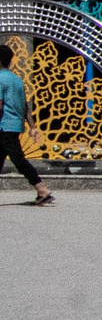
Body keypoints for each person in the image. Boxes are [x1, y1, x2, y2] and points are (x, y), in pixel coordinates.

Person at [0, 44, 53, 206]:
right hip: (14, 125)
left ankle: (42, 189)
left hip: (4, 126)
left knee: (18, 159)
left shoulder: (0, 78)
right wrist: (32, 127)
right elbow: (25, 107)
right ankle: (41, 189)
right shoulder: (17, 80)